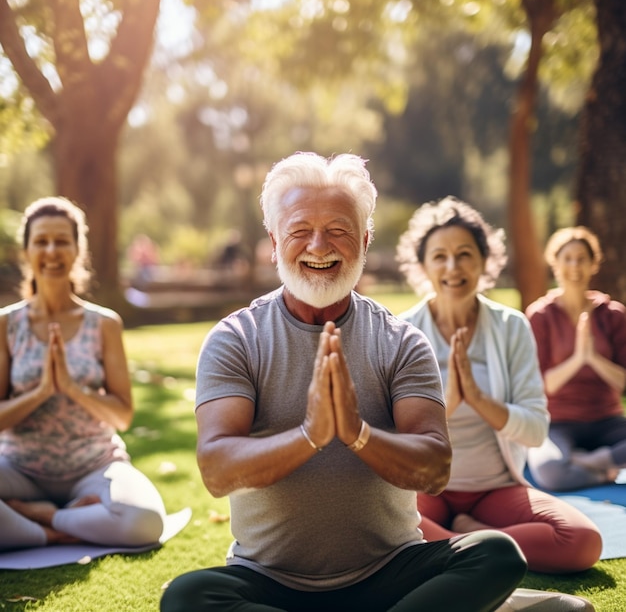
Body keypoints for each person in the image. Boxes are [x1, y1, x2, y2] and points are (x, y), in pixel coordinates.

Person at [160, 152, 528, 612]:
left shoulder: (400, 341)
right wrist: (310, 436)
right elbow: (217, 470)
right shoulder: (236, 338)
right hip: (270, 582)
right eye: (299, 231)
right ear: (274, 242)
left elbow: (434, 468)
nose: (319, 246)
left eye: (338, 230)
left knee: (495, 555)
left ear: (365, 240)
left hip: (392, 572)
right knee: (188, 598)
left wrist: (358, 433)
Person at [396, 197, 602, 575]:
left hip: (494, 488)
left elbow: (537, 428)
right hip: (425, 491)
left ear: (484, 261)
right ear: (423, 266)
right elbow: (392, 436)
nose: (453, 267)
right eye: (439, 256)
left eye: (464, 254)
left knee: (583, 541)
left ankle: (466, 541)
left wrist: (477, 398)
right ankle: (485, 546)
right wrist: (450, 404)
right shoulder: (401, 333)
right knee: (383, 526)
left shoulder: (511, 327)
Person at [0, 197, 166, 550]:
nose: (51, 250)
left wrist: (74, 390)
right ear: (26, 251)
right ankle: (51, 532)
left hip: (95, 466)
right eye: (41, 241)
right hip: (18, 470)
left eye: (62, 241)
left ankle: (44, 517)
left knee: (146, 522)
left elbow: (122, 415)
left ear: (78, 249)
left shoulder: (104, 324)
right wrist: (42, 391)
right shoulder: (6, 325)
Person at [526, 226, 626, 491]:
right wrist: (579, 358)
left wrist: (593, 357)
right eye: (567, 258)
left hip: (607, 420)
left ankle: (590, 461)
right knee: (550, 472)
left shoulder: (613, 315)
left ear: (594, 264)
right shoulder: (540, 316)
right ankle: (604, 470)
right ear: (555, 264)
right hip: (558, 422)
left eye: (582, 258)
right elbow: (545, 384)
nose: (575, 265)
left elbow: (622, 382)